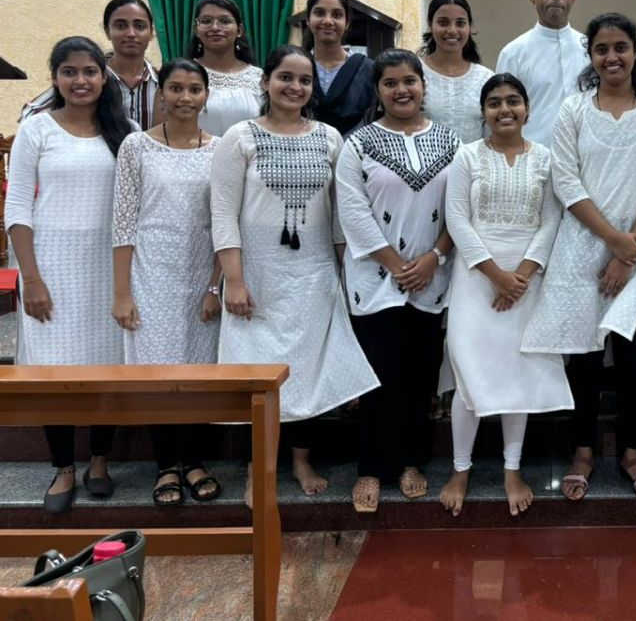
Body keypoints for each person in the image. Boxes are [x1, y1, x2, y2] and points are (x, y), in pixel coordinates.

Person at [211, 45, 378, 506]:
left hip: (313, 275)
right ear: (265, 82)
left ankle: (302, 461)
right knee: (257, 378)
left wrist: (345, 272)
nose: (295, 87)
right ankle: (257, 470)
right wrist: (234, 280)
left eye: (305, 80)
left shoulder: (329, 138)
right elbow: (223, 213)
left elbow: (340, 214)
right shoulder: (239, 137)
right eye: (285, 77)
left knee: (308, 372)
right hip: (257, 278)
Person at [523, 13, 636, 503]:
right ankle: (583, 451)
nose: (612, 57)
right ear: (590, 55)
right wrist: (613, 240)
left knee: (632, 357)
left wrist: (629, 250)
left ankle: (633, 451)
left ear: (635, 52)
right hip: (581, 246)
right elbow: (566, 181)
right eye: (601, 49)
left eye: (620, 47)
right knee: (585, 356)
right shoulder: (573, 110)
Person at [6, 37, 134, 513]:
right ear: (56, 78)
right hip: (51, 267)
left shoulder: (125, 132)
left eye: (89, 72)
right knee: (53, 371)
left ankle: (99, 460)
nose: (81, 81)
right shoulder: (36, 129)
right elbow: (17, 208)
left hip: (109, 267)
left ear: (103, 77)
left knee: (106, 368)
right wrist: (31, 278)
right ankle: (63, 466)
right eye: (70, 72)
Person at [439, 73, 573, 518]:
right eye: (494, 102)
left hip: (527, 282)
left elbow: (551, 220)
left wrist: (523, 276)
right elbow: (457, 220)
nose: (504, 110)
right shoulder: (467, 156)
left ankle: (511, 469)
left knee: (518, 375)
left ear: (527, 109)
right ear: (484, 112)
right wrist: (497, 276)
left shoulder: (546, 158)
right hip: (476, 278)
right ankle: (460, 469)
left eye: (513, 101)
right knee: (469, 374)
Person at [336, 49, 459, 511]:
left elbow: (460, 209)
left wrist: (434, 257)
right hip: (374, 280)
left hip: (431, 278)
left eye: (409, 81)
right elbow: (353, 213)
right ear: (378, 90)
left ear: (423, 85)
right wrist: (395, 264)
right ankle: (371, 468)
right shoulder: (358, 144)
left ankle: (412, 462)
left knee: (419, 375)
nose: (401, 90)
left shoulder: (450, 141)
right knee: (377, 376)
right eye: (390, 83)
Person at [111, 58, 224, 506]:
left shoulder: (219, 150)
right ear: (161, 95)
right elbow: (123, 222)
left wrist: (215, 285)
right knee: (159, 374)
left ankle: (194, 461)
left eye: (194, 89)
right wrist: (122, 292)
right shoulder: (136, 146)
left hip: (200, 275)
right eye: (175, 88)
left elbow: (225, 224)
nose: (184, 97)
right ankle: (165, 466)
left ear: (206, 96)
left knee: (198, 372)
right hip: (150, 275)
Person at [20, 0, 159, 129]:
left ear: (151, 32)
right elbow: (31, 112)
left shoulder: (162, 82)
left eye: (140, 26)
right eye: (121, 25)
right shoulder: (90, 78)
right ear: (107, 31)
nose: (131, 33)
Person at [495, 0, 586, 147]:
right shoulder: (513, 53)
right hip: (532, 158)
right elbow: (501, 115)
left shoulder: (590, 49)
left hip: (585, 157)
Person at [420, 0, 495, 143]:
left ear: (469, 27)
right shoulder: (414, 73)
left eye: (460, 23)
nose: (452, 30)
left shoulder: (485, 78)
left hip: (474, 159)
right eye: (443, 22)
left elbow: (492, 137)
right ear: (430, 25)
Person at [304, 0, 374, 135]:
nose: (328, 21)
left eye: (337, 15)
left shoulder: (368, 70)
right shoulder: (297, 68)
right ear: (308, 20)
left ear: (347, 22)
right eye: (319, 13)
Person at [190, 0, 263, 137]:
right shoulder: (182, 75)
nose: (215, 27)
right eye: (206, 21)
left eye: (224, 21)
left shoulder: (259, 78)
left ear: (239, 30)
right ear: (196, 30)